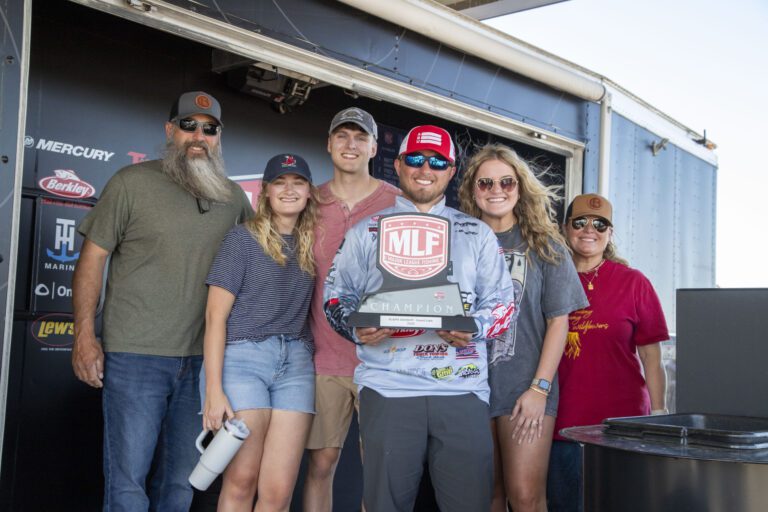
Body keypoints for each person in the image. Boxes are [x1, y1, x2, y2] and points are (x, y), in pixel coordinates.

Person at [71, 91, 252, 511]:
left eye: (209, 129)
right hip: (136, 357)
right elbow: (91, 261)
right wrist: (84, 335)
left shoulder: (233, 199)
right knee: (127, 482)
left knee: (181, 484)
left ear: (218, 139)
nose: (198, 135)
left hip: (204, 366)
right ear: (170, 131)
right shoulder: (131, 183)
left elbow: (259, 268)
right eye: (189, 125)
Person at [323, 125, 518, 512]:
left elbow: (503, 304)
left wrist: (474, 328)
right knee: (384, 505)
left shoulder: (476, 233)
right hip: (389, 387)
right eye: (414, 158)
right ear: (397, 164)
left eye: (436, 161)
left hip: (461, 388)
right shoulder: (366, 232)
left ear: (451, 170)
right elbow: (334, 297)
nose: (424, 168)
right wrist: (355, 327)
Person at [458, 144, 588, 512]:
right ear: (472, 190)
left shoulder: (547, 247)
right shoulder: (460, 244)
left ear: (520, 187)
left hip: (524, 386)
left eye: (506, 182)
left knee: (526, 497)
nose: (496, 190)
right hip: (467, 384)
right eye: (485, 183)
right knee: (485, 497)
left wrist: (539, 389)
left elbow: (558, 322)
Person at [201, 153, 318, 511]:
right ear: (265, 191)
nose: (289, 189)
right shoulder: (242, 239)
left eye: (297, 182)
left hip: (296, 364)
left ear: (309, 192)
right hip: (242, 360)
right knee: (241, 481)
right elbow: (214, 317)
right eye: (280, 182)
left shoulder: (315, 244)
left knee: (279, 492)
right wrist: (213, 389)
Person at [303, 107, 399, 512]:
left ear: (374, 147)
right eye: (342, 136)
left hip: (384, 360)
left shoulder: (398, 203)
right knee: (321, 463)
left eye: (360, 137)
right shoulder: (307, 201)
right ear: (328, 144)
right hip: (324, 357)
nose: (351, 144)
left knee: (378, 467)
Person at [547, 193, 669, 512]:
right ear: (566, 228)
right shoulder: (548, 279)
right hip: (562, 426)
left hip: (623, 427)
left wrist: (658, 416)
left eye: (600, 224)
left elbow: (652, 359)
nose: (590, 229)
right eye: (581, 222)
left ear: (610, 233)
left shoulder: (633, 283)